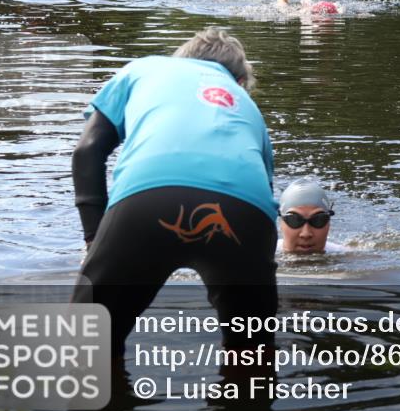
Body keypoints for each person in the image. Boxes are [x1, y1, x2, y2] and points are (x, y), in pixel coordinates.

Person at [71, 27, 278, 357]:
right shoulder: (247, 107)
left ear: (179, 59)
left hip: (148, 199)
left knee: (87, 344)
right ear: (240, 83)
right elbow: (266, 196)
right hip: (244, 210)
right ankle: (248, 403)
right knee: (252, 352)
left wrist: (94, 238)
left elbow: (88, 150)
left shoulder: (144, 68)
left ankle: (98, 407)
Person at [276, 179, 345, 254]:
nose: (306, 234)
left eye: (318, 220)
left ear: (328, 224)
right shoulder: (263, 254)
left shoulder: (346, 256)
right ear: (281, 224)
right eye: (294, 220)